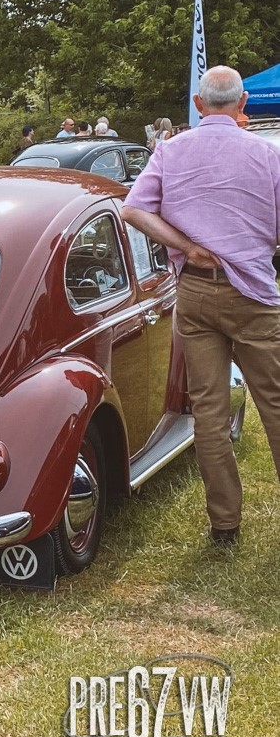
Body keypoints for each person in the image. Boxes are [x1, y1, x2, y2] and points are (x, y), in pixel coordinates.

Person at [122, 65, 280, 546]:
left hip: (193, 288)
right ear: (243, 106)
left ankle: (224, 525)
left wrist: (187, 246)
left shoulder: (170, 150)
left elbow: (132, 209)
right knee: (275, 404)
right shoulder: (266, 154)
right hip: (253, 290)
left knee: (209, 411)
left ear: (197, 104)